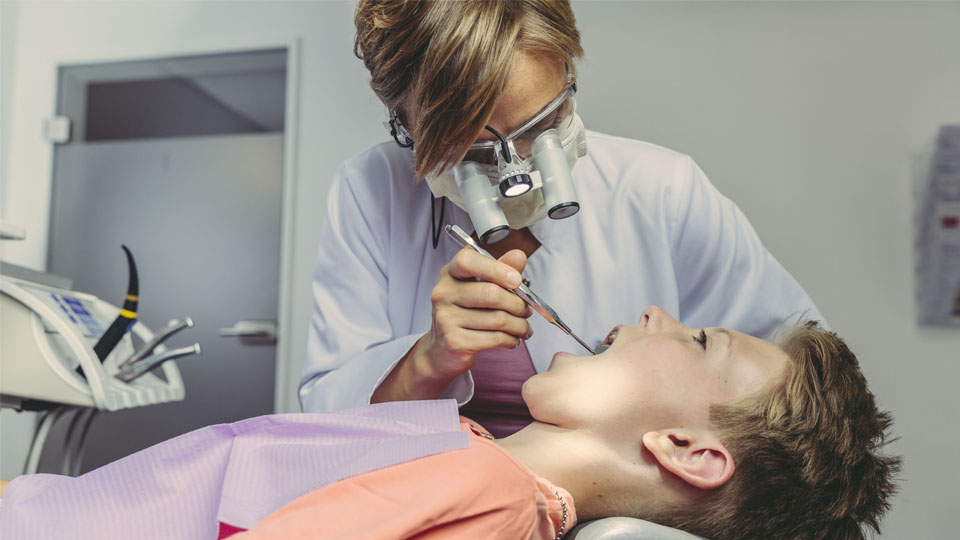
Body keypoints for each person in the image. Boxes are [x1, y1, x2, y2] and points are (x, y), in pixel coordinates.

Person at [300, 0, 826, 437]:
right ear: (406, 125)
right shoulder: (370, 190)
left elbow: (806, 387)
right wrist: (427, 359)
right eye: (475, 151)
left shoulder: (661, 189)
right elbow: (327, 426)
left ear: (567, 73)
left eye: (543, 126)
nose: (518, 174)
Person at [0, 307, 899, 540]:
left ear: (691, 451)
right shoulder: (468, 455)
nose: (658, 315)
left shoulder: (490, 500)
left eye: (700, 339)